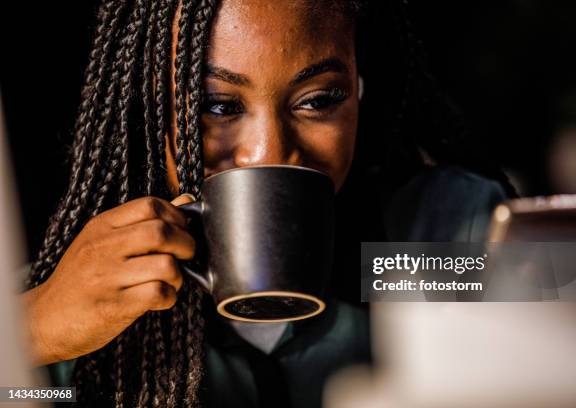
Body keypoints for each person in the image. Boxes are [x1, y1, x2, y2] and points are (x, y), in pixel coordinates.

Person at [20, 0, 514, 407]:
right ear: (148, 112)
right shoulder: (81, 294)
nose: (270, 153)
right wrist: (32, 332)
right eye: (218, 105)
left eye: (318, 99)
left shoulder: (427, 233)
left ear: (361, 92)